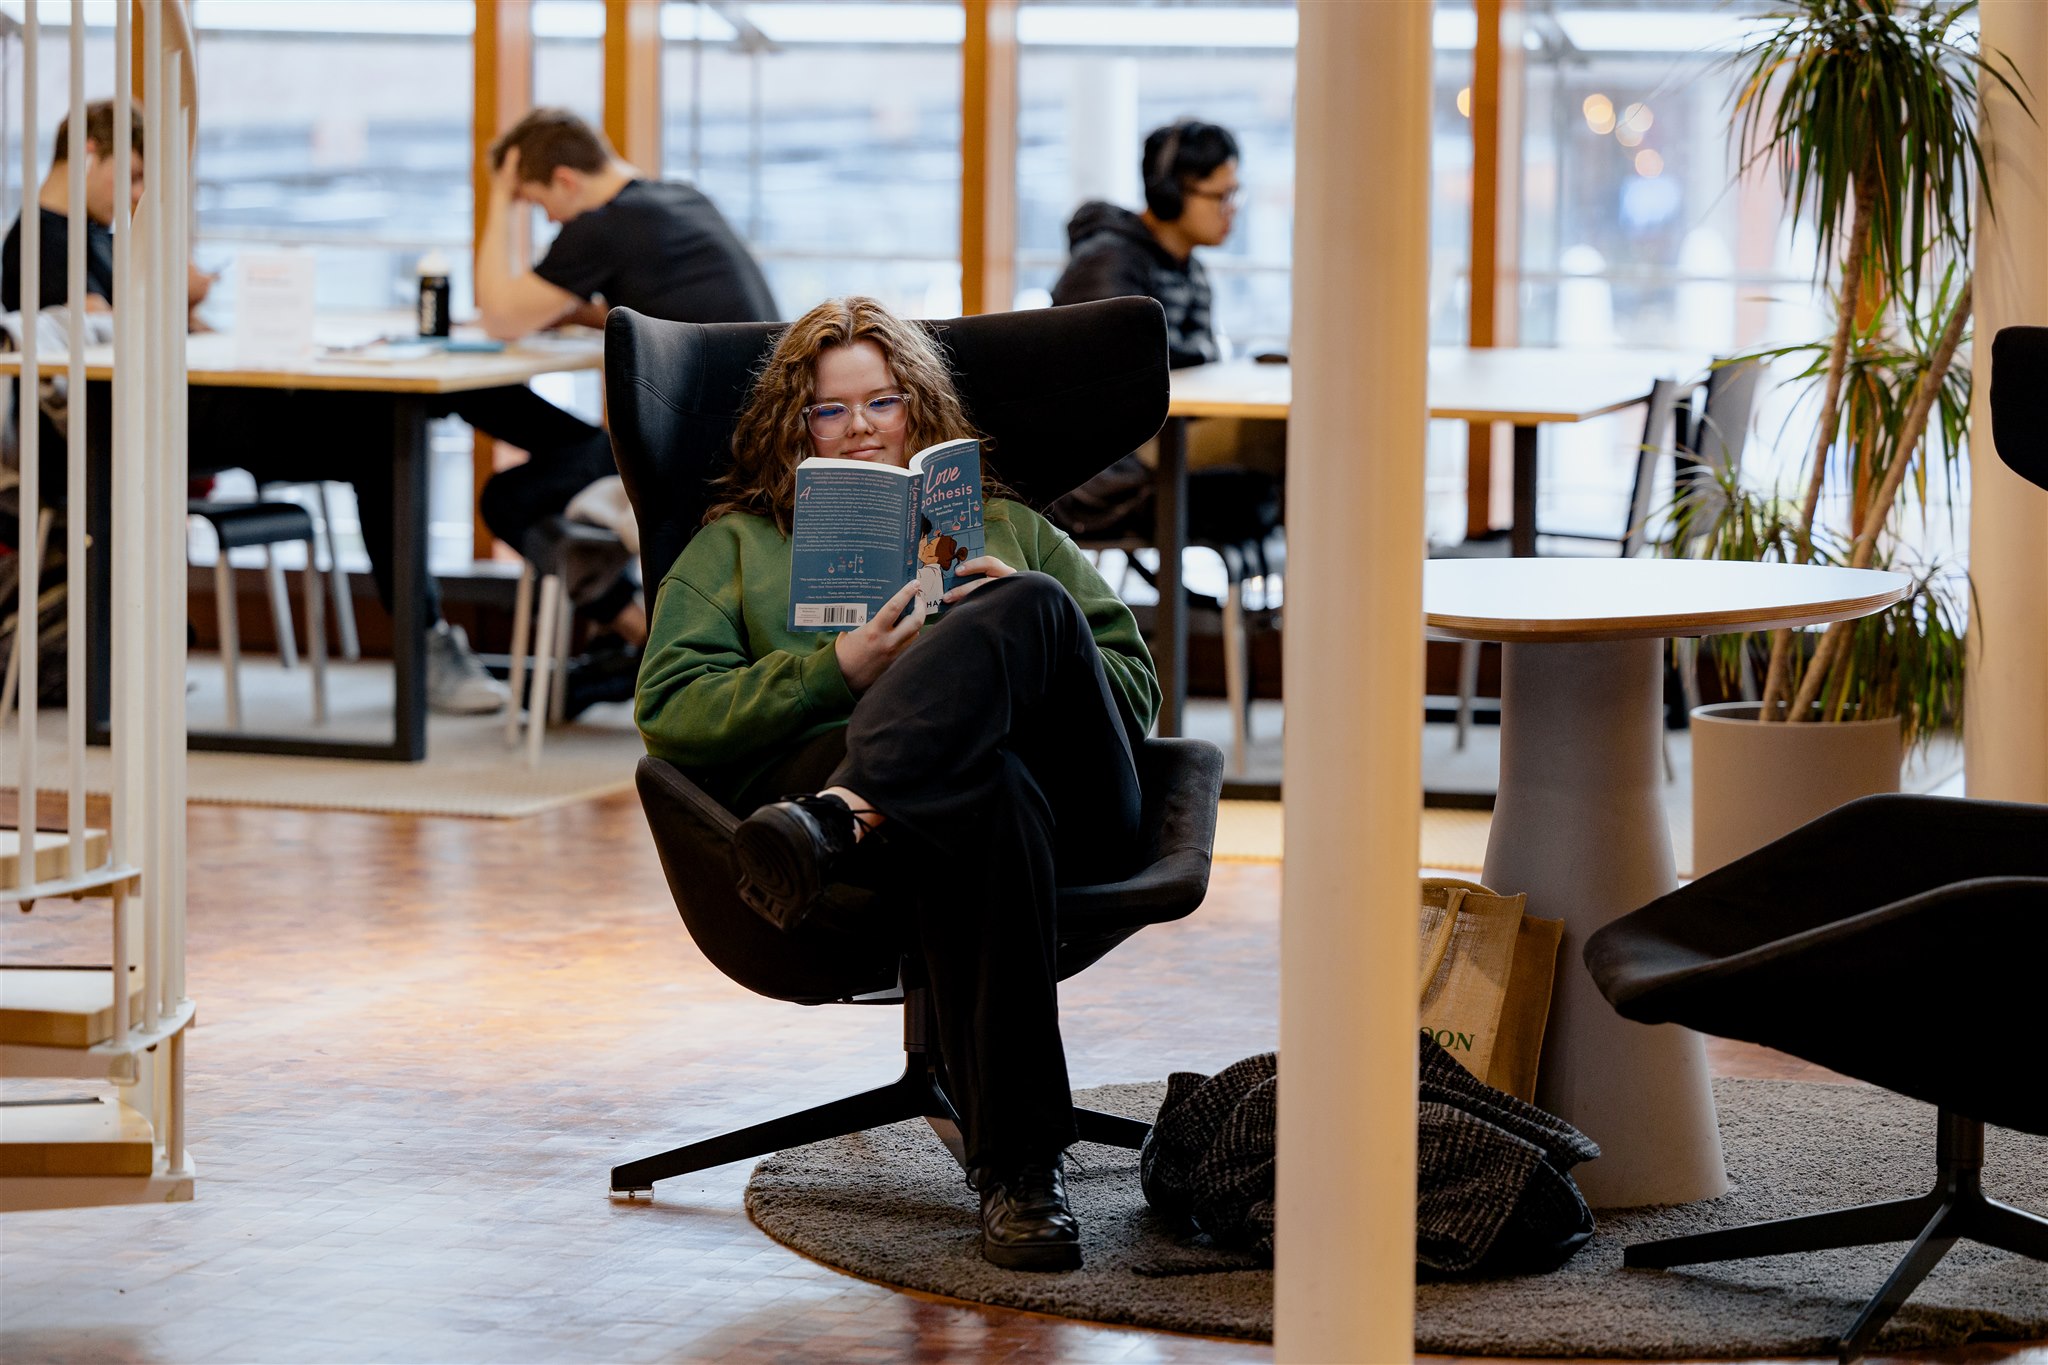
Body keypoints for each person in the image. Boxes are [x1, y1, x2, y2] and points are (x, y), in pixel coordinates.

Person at [636, 296, 1160, 1272]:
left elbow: (1134, 688)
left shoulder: (1007, 524)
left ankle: (840, 817)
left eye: (881, 402)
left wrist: (1018, 636)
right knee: (985, 791)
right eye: (829, 412)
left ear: (917, 408)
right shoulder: (737, 548)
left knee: (1033, 604)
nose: (862, 427)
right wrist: (833, 672)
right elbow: (671, 711)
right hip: (962, 819)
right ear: (792, 430)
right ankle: (1018, 1175)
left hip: (1074, 798)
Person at [2, 101, 512, 714]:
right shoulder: (39, 244)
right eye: (132, 174)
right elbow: (109, 343)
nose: (137, 192)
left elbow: (171, 335)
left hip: (172, 419)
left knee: (385, 428)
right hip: (120, 439)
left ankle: (425, 640)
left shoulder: (94, 238)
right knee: (381, 438)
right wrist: (168, 290)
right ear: (89, 155)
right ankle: (426, 646)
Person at [470, 107, 779, 649]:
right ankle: (613, 610)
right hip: (748, 432)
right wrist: (575, 313)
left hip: (697, 455)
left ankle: (639, 633)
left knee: (506, 495)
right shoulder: (679, 199)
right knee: (502, 410)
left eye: (537, 203)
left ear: (566, 181)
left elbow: (499, 317)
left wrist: (498, 197)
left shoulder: (600, 227)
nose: (546, 220)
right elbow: (658, 311)